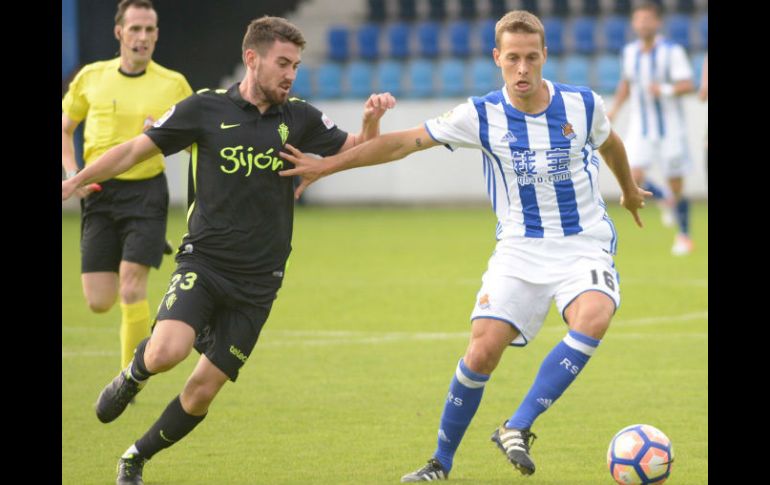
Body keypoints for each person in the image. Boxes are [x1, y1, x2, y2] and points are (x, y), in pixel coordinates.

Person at [278, 10, 650, 482]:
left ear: (545, 57)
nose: (522, 69)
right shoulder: (480, 115)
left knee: (594, 315)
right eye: (512, 58)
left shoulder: (583, 104)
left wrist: (629, 188)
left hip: (583, 244)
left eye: (531, 58)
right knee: (481, 352)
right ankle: (440, 462)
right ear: (497, 58)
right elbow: (401, 144)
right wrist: (327, 166)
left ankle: (517, 425)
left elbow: (610, 142)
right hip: (519, 249)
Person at [62, 15, 395, 485]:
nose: (290, 74)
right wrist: (76, 178)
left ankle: (135, 458)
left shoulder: (297, 116)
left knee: (201, 392)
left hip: (260, 281)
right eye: (282, 63)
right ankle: (134, 373)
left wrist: (371, 121)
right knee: (166, 353)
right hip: (206, 260)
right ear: (252, 58)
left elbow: (359, 149)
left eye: (296, 65)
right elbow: (138, 149)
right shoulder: (203, 108)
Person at [61, 0, 193, 373]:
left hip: (147, 193)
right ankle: (146, 242)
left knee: (132, 287)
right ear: (119, 32)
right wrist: (73, 172)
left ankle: (129, 379)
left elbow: (194, 139)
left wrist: (164, 137)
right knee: (99, 301)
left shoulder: (173, 84)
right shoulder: (91, 77)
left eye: (150, 30)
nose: (143, 37)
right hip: (100, 194)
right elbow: (66, 127)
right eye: (135, 29)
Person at [606, 2, 696, 256]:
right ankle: (664, 198)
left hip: (670, 129)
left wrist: (664, 89)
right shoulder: (630, 52)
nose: (643, 23)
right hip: (641, 128)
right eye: (639, 19)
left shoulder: (672, 51)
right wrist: (614, 110)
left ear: (657, 22)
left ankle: (684, 235)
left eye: (647, 19)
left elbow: (688, 84)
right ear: (634, 24)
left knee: (677, 184)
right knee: (632, 177)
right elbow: (626, 84)